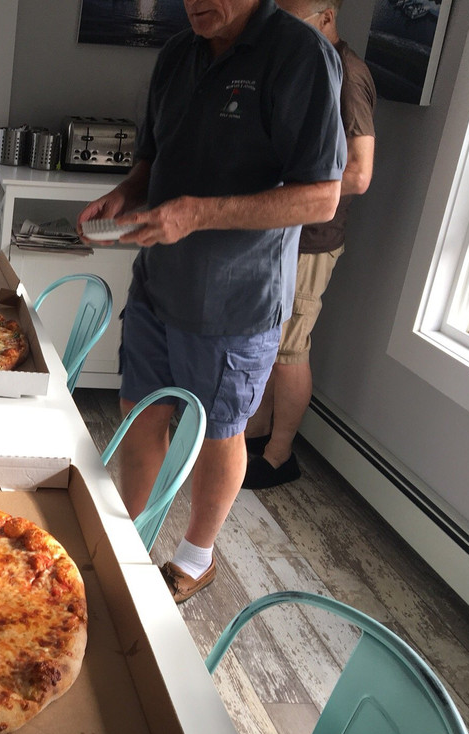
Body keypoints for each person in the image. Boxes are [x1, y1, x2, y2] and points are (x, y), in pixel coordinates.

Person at [78, 0, 346, 603]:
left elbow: (321, 197)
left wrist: (200, 213)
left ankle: (196, 558)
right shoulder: (178, 52)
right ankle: (128, 537)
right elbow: (153, 159)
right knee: (139, 410)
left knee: (220, 429)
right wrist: (126, 194)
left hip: (235, 297)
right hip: (158, 281)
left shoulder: (300, 56)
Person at [242, 0, 376, 489]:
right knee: (271, 341)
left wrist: (292, 191)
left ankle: (279, 456)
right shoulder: (309, 64)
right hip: (287, 232)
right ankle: (257, 434)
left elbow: (359, 174)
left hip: (314, 239)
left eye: (294, 23)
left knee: (290, 348)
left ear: (327, 17)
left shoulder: (348, 74)